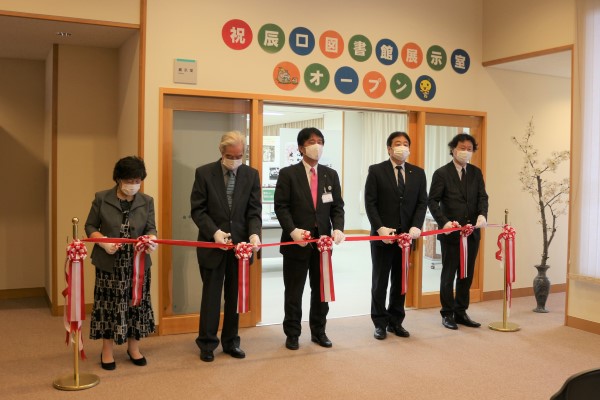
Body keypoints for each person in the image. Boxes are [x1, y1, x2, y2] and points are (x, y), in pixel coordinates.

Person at [190, 131, 262, 362]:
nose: (236, 159)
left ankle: (231, 342)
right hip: (213, 245)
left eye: (240, 155)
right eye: (231, 155)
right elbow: (197, 210)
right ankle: (207, 343)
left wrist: (254, 234)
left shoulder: (251, 174)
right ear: (222, 153)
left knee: (234, 296)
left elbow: (254, 210)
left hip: (240, 247)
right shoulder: (204, 173)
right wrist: (214, 232)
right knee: (211, 296)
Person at [274, 127, 345, 350]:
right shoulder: (288, 174)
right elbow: (281, 207)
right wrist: (292, 230)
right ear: (301, 147)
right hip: (296, 242)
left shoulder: (330, 174)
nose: (317, 145)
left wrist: (338, 228)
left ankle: (319, 331)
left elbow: (337, 207)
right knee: (294, 291)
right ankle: (293, 333)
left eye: (320, 141)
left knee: (321, 290)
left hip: (322, 244)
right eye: (312, 141)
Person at [85, 156, 158, 370]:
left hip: (138, 263)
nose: (133, 185)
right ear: (118, 179)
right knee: (108, 306)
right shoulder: (102, 198)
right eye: (129, 180)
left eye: (137, 180)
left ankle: (133, 348)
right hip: (109, 262)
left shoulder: (147, 200)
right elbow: (90, 226)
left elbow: (151, 228)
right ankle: (107, 350)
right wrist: (104, 242)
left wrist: (151, 240)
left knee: (136, 304)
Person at [365, 131, 427, 340]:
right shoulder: (376, 171)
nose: (402, 147)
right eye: (397, 144)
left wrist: (416, 226)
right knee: (380, 281)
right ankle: (379, 323)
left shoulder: (418, 173)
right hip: (383, 238)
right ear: (389, 149)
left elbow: (421, 203)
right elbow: (370, 202)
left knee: (401, 282)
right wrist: (379, 227)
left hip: (406, 239)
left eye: (405, 143)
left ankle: (396, 321)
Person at [427, 133, 489, 330]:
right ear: (453, 149)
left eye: (469, 149)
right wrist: (443, 222)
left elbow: (483, 197)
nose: (465, 152)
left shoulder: (476, 173)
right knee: (449, 274)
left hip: (472, 233)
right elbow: (432, 201)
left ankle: (461, 311)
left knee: (467, 274)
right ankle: (447, 313)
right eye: (462, 148)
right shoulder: (442, 173)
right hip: (451, 234)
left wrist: (482, 215)